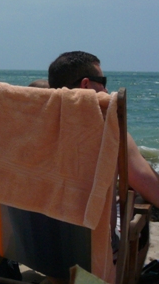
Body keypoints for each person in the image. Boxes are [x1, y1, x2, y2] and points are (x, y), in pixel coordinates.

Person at [48, 51, 159, 208]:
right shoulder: (108, 130)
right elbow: (150, 186)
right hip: (90, 222)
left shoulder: (33, 126)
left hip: (32, 222)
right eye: (102, 82)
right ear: (86, 85)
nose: (106, 90)